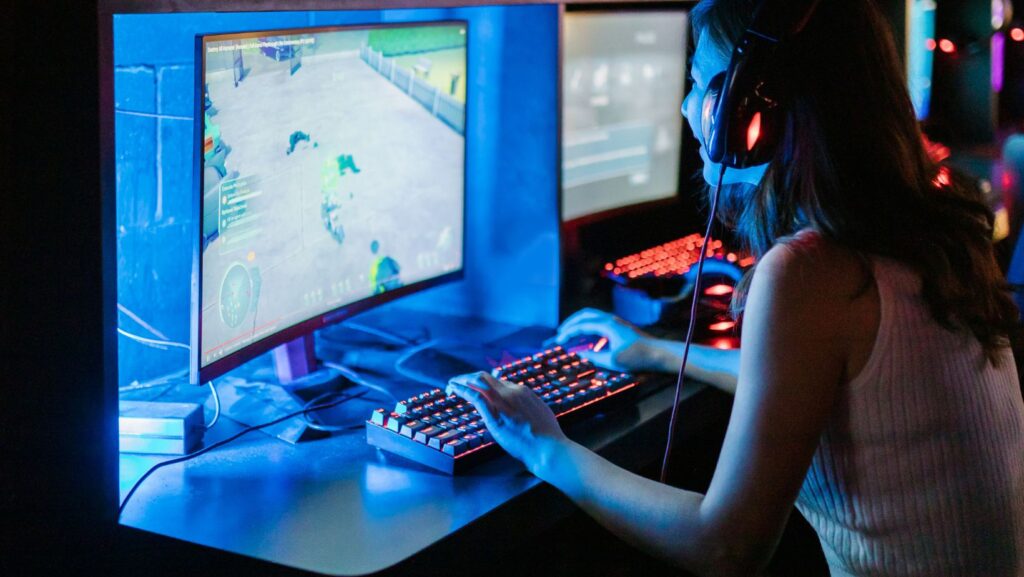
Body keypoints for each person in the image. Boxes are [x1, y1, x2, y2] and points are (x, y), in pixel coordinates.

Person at [447, 1, 1024, 575]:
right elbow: (802, 381)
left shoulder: (810, 272)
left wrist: (546, 448)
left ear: (755, 112)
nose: (686, 106)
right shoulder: (930, 232)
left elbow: (725, 547)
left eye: (703, 85)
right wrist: (656, 352)